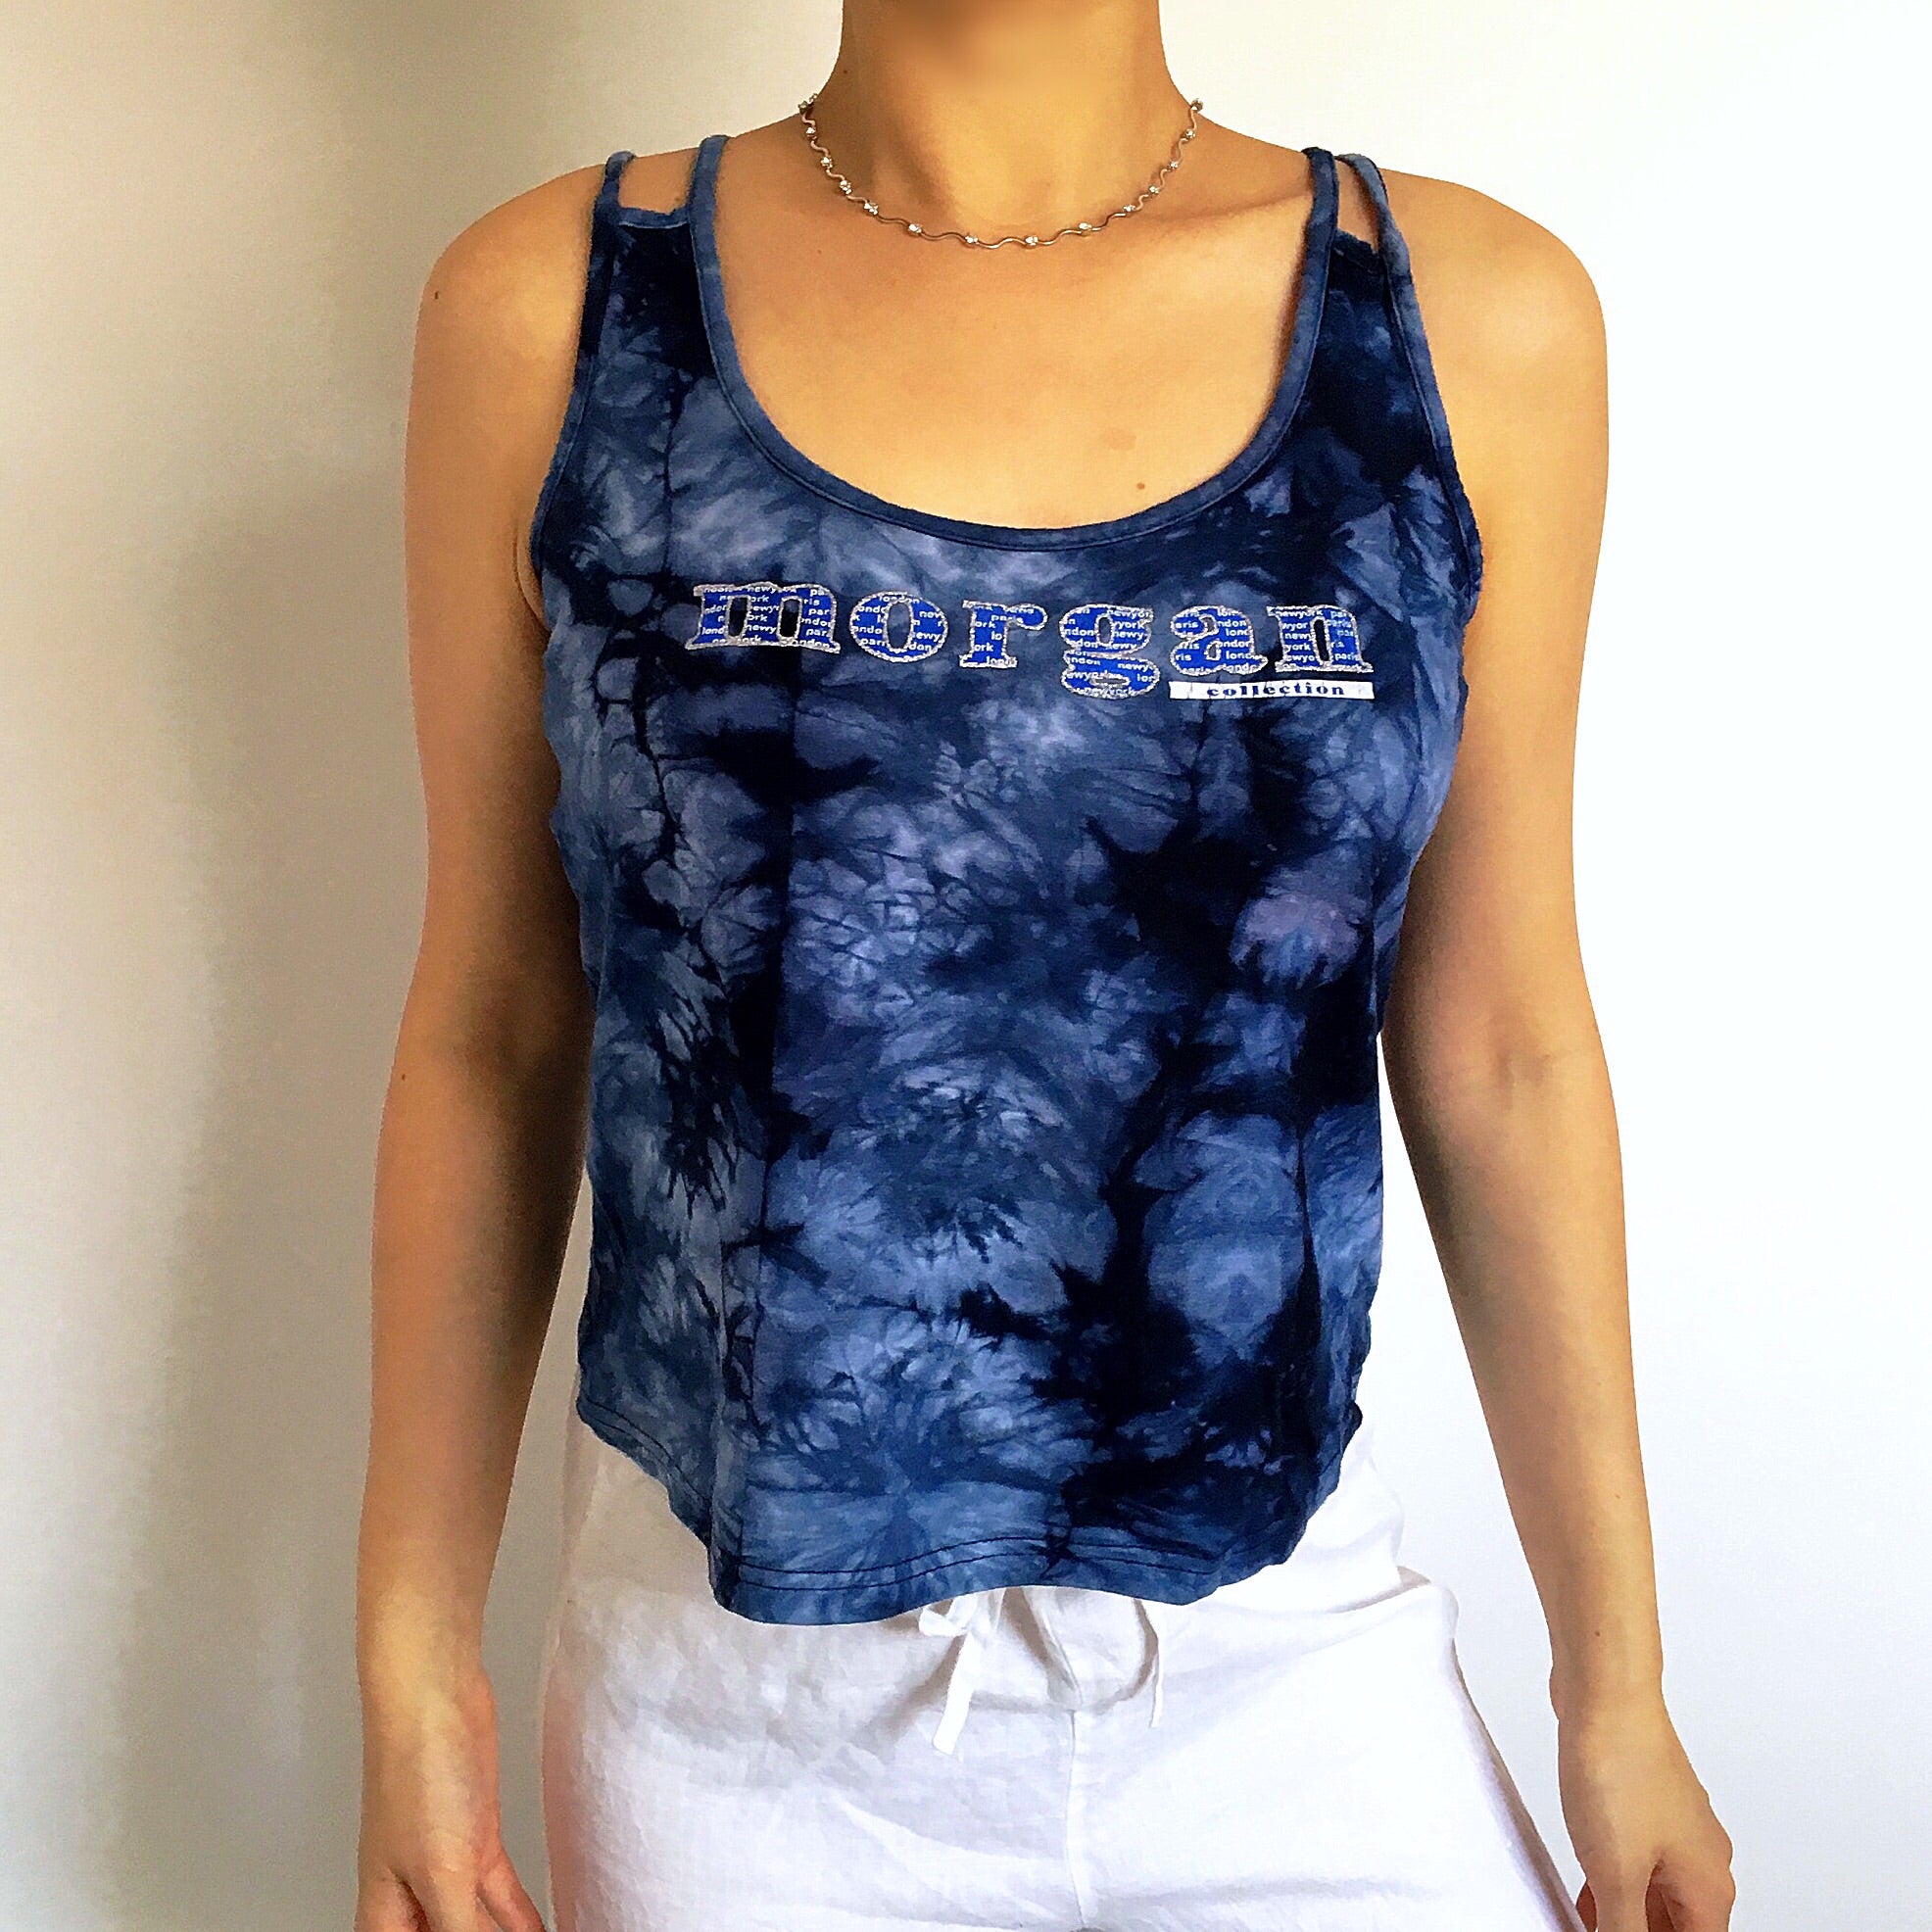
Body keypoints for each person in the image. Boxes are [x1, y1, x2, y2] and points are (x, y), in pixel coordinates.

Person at [355, 5, 1736, 1929]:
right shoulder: (561, 312)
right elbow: (496, 1031)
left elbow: (1502, 1044)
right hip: (735, 1710)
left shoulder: (1457, 321)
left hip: (1281, 1652)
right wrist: (414, 1671)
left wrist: (1617, 1687)